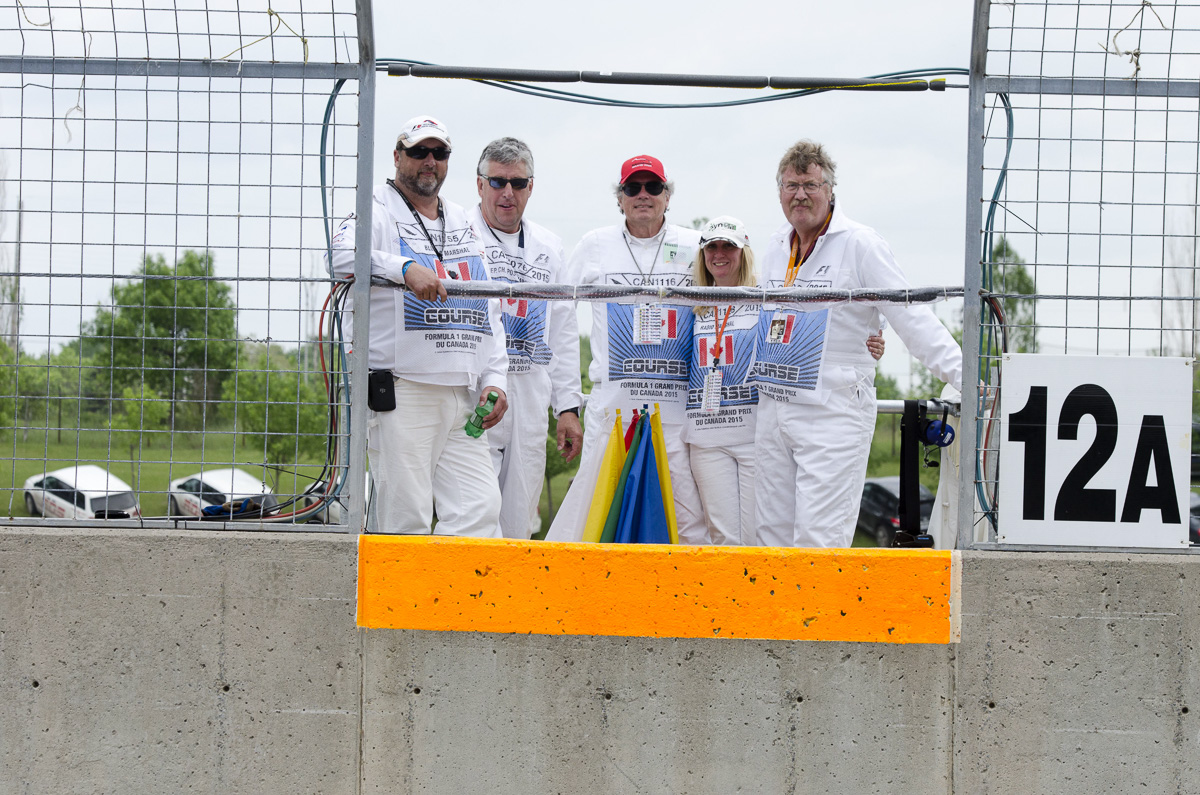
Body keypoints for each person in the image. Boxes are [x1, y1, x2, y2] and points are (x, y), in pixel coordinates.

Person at [752, 139, 961, 549]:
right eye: (791, 185)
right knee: (770, 540)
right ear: (779, 192)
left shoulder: (860, 244)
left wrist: (966, 377)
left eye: (810, 185)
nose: (800, 195)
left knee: (819, 541)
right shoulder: (776, 247)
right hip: (776, 407)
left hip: (832, 411)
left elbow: (911, 316)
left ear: (830, 190)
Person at [328, 115, 507, 537]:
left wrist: (496, 379)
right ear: (397, 156)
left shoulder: (462, 218)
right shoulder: (375, 207)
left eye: (439, 153)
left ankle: (453, 584)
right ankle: (399, 584)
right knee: (405, 518)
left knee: (480, 510)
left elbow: (490, 308)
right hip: (402, 390)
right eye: (419, 151)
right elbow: (338, 257)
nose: (430, 161)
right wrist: (403, 268)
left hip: (463, 395)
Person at [684, 216, 885, 546]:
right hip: (706, 434)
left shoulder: (766, 294)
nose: (719, 254)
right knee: (722, 538)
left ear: (744, 252)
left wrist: (870, 340)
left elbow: (818, 324)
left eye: (729, 247)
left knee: (758, 535)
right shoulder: (691, 302)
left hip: (752, 432)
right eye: (712, 247)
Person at [547, 155, 707, 544]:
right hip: (613, 408)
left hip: (677, 410)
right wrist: (567, 406)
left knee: (688, 523)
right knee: (596, 515)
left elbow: (731, 304)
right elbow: (561, 317)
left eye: (653, 187)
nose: (643, 195)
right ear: (619, 198)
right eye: (633, 188)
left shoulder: (694, 244)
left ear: (667, 195)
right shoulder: (594, 244)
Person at [467, 137, 583, 539]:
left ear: (530, 187)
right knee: (474, 512)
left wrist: (567, 407)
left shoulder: (549, 247)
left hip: (530, 393)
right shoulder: (459, 234)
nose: (507, 192)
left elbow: (563, 331)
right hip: (475, 392)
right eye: (497, 182)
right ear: (479, 184)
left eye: (518, 183)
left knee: (519, 520)